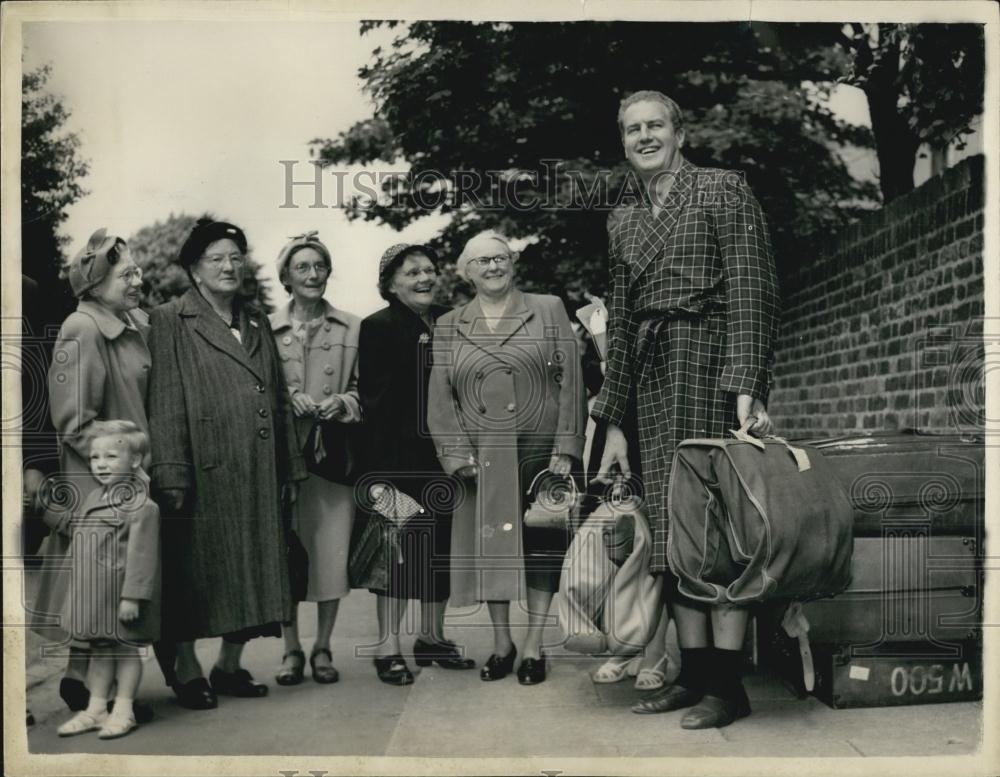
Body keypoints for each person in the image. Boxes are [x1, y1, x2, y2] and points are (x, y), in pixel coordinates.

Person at [592, 90, 779, 728]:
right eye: (631, 129)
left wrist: (746, 387)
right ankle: (692, 675)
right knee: (672, 538)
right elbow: (618, 325)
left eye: (654, 126)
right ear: (622, 140)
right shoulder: (621, 216)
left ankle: (729, 687)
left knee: (720, 535)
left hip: (709, 369)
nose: (644, 136)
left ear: (678, 132)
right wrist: (613, 421)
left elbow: (754, 287)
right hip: (647, 381)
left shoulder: (723, 189)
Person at [148, 218, 306, 710]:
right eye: (216, 258)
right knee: (192, 574)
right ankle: (186, 669)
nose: (228, 266)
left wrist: (290, 468)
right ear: (194, 269)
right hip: (205, 470)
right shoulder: (169, 319)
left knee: (256, 567)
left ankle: (230, 665)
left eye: (235, 257)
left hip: (259, 470)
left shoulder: (255, 318)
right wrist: (171, 471)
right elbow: (166, 400)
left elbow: (278, 399)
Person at [428, 231, 587, 685]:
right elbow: (440, 398)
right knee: (492, 547)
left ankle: (534, 645)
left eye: (500, 258)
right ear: (467, 273)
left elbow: (572, 382)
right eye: (482, 262)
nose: (493, 267)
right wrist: (455, 453)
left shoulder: (548, 307)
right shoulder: (448, 324)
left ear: (512, 263)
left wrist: (567, 447)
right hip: (483, 455)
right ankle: (502, 643)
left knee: (541, 544)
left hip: (541, 450)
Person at [32, 230, 154, 723]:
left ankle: (87, 687)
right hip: (99, 482)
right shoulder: (81, 328)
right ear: (96, 283)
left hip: (126, 475)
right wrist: (121, 460)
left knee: (110, 591)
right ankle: (86, 688)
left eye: (138, 270)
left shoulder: (134, 322)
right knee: (100, 590)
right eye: (127, 273)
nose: (138, 279)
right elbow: (72, 420)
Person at [356, 243, 475, 686]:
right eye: (411, 273)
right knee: (397, 555)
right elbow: (376, 405)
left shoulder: (452, 319)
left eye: (429, 270)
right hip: (397, 463)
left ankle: (432, 638)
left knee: (438, 553)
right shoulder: (379, 326)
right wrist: (381, 480)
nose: (424, 278)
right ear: (390, 283)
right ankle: (387, 647)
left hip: (445, 459)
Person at [269, 231, 361, 686]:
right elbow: (255, 391)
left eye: (319, 266)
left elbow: (369, 390)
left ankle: (323, 647)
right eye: (302, 268)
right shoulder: (264, 329)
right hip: (281, 461)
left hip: (331, 461)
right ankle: (290, 649)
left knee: (330, 553)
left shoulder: (352, 328)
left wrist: (344, 402)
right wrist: (289, 399)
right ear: (285, 276)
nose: (312, 275)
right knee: (285, 552)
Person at [55, 421, 160, 740]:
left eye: (111, 457)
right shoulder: (92, 499)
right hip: (95, 595)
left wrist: (133, 596)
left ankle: (123, 708)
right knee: (100, 651)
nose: (101, 464)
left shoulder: (141, 507)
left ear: (135, 461)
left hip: (120, 597)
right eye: (96, 458)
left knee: (126, 651)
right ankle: (96, 707)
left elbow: (142, 558)